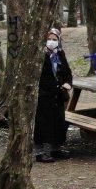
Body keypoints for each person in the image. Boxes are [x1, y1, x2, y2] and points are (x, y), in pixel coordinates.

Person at [35, 28, 73, 162]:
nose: (51, 42)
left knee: (59, 121)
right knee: (43, 123)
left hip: (59, 94)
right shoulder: (39, 54)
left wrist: (68, 83)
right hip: (44, 94)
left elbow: (67, 72)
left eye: (54, 39)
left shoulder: (60, 53)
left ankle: (56, 149)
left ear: (59, 40)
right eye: (49, 39)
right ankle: (40, 152)